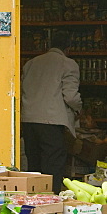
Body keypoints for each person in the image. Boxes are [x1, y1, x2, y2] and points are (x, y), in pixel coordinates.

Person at [20, 30, 82, 193]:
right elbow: (70, 96)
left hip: (29, 120)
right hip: (52, 122)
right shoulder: (68, 64)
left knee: (33, 162)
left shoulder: (31, 63)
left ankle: (32, 196)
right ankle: (51, 198)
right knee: (52, 164)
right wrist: (79, 109)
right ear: (68, 48)